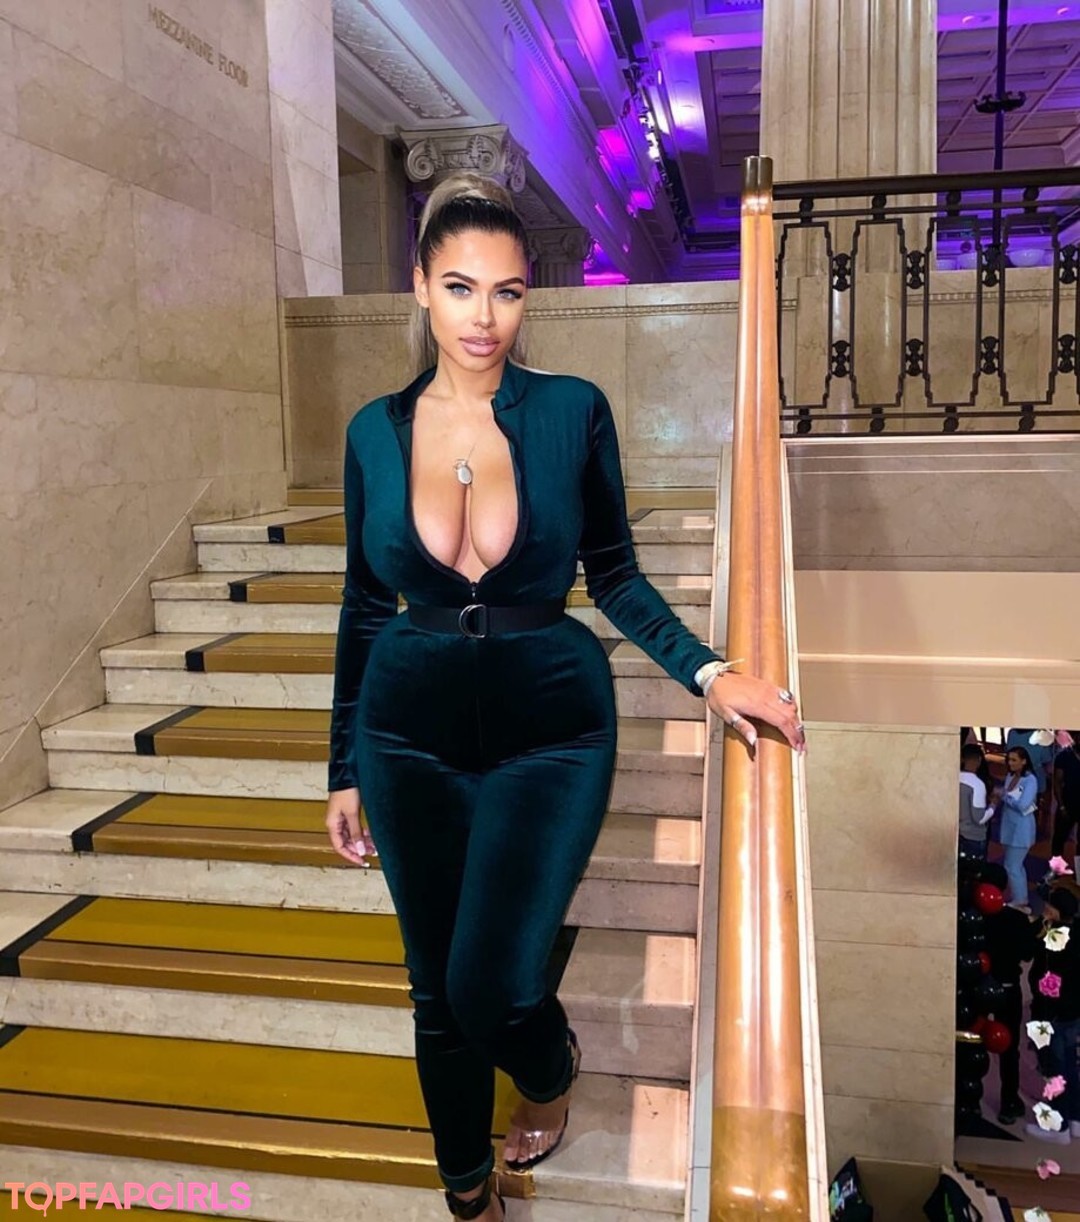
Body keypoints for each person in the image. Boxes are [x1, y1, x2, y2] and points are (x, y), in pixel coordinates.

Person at [322, 173, 806, 1221]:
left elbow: (616, 575)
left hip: (551, 726)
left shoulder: (571, 411)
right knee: (434, 990)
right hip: (405, 730)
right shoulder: (372, 431)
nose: (483, 317)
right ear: (420, 287)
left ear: (527, 297)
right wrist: (344, 768)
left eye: (506, 291)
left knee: (491, 985)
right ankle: (467, 1194)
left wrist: (709, 670)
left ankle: (549, 1068)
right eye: (461, 288)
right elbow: (363, 607)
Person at [977, 862, 1037, 1124]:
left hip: (977, 988)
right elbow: (1027, 953)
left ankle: (970, 1100)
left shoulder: (973, 920)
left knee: (971, 1040)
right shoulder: (1017, 920)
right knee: (1009, 1049)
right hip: (1008, 989)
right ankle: (1009, 1103)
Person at [1025, 885, 1080, 1144]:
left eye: (1049, 905)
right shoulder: (1077, 932)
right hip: (1072, 1011)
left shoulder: (1053, 938)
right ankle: (1076, 1118)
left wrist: (1041, 924)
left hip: (1051, 1012)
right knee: (1070, 1064)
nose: (1045, 908)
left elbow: (1030, 951)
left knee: (1053, 1068)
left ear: (1056, 911)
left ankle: (1058, 1127)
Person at [995, 745, 1039, 912]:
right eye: (1009, 759)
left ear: (1024, 761)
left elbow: (1023, 805)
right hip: (1008, 826)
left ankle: (1020, 900)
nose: (1010, 763)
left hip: (1021, 830)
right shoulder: (1010, 776)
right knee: (1016, 865)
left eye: (1014, 760)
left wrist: (1003, 795)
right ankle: (1021, 897)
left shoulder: (1031, 780)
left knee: (1012, 866)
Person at [959, 743, 991, 858]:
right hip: (973, 836)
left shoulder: (954, 777)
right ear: (979, 760)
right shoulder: (977, 784)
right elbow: (979, 818)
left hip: (957, 833)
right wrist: (993, 806)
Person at [1052, 732, 1080, 860]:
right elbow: (1057, 782)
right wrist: (1062, 806)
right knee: (1059, 838)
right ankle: (1056, 868)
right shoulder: (1063, 756)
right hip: (1067, 805)